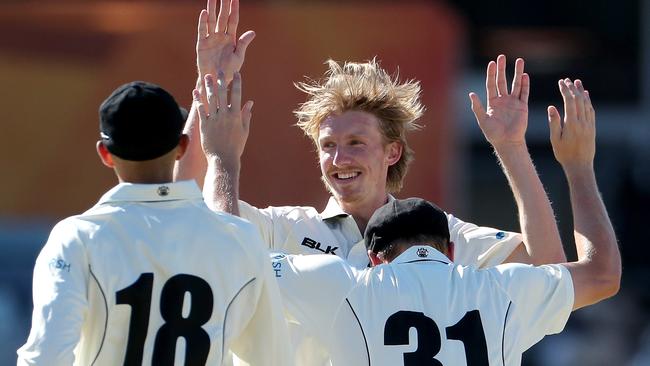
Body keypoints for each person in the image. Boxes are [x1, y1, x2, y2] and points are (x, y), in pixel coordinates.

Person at [272, 78, 621, 365]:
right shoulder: (492, 289)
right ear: (450, 251)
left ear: (375, 261)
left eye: (356, 142)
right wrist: (575, 165)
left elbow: (223, 238)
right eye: (328, 144)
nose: (339, 157)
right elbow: (574, 275)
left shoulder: (341, 283)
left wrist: (220, 150)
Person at [17, 81, 291, 365]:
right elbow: (272, 359)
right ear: (182, 146)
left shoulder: (77, 237)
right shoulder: (241, 239)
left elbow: (45, 357)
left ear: (105, 154)